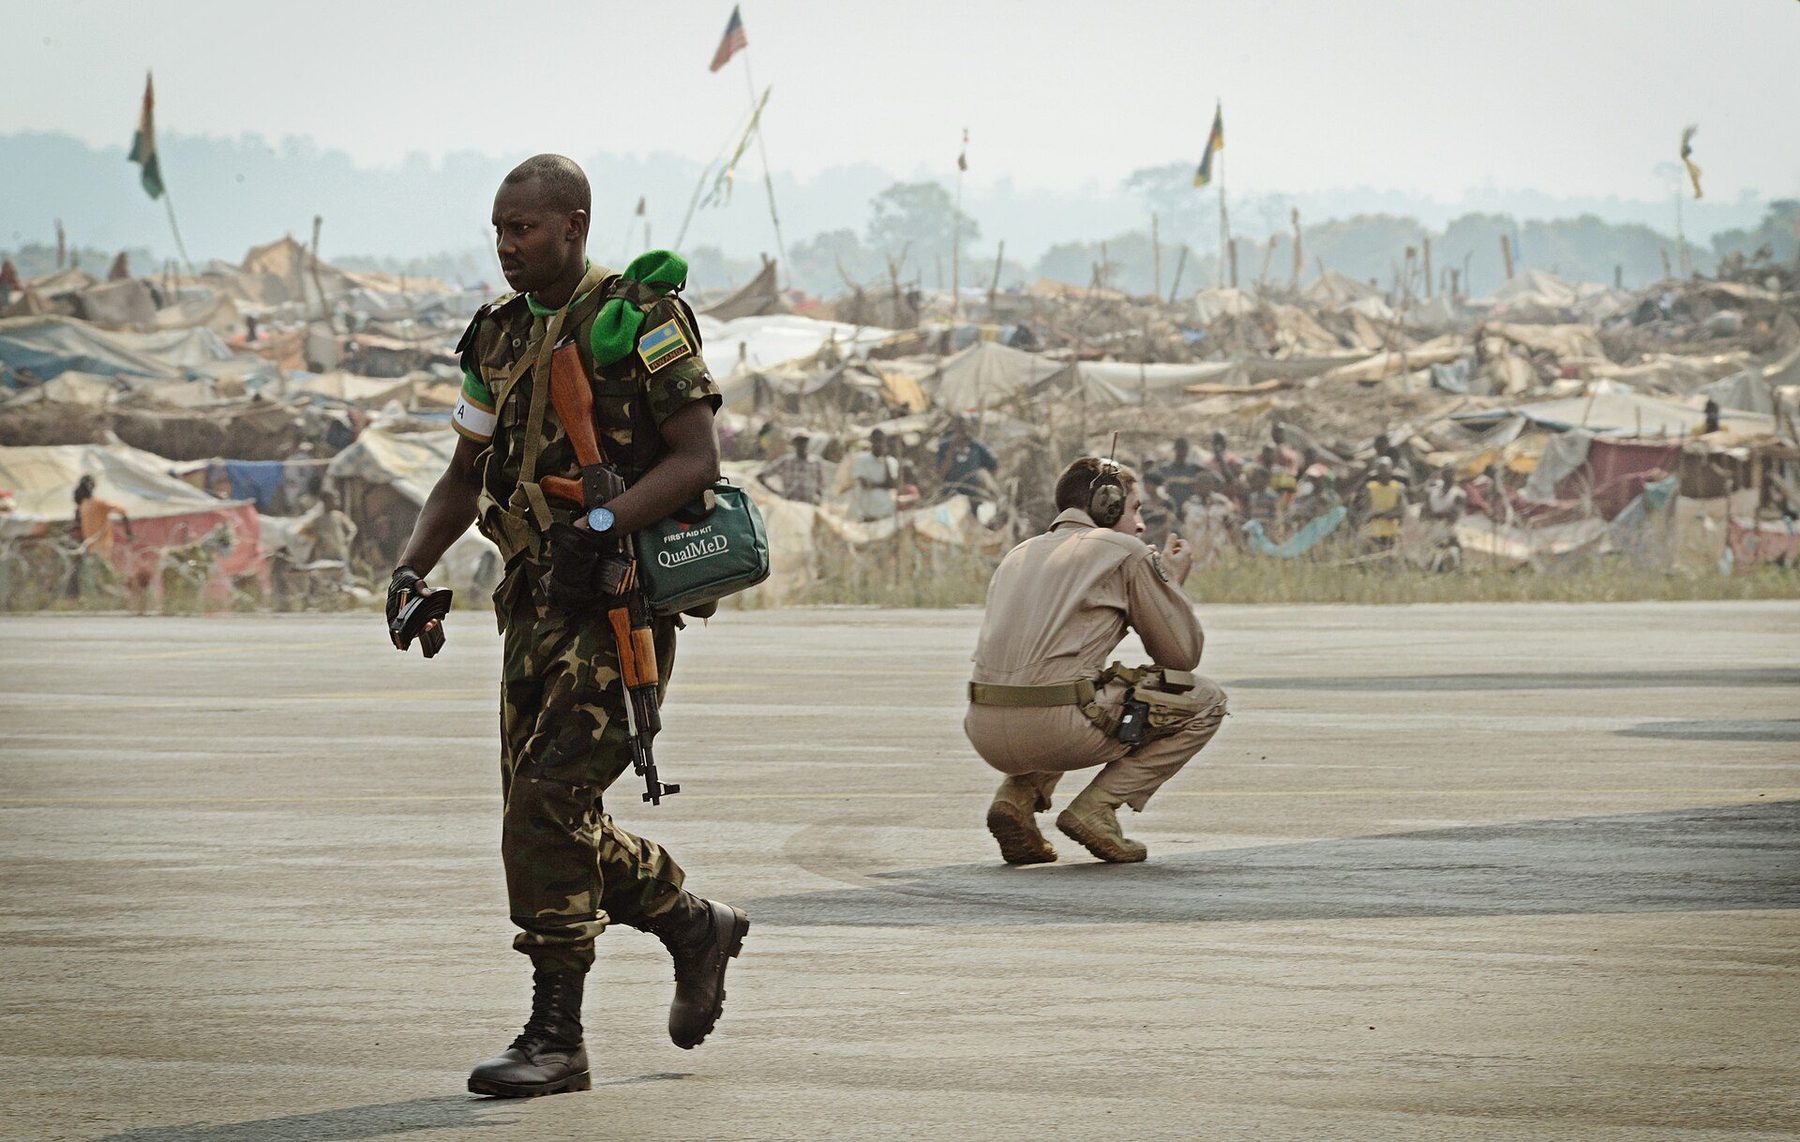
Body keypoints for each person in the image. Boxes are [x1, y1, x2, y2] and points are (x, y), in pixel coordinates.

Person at [382, 154, 747, 1099]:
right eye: (499, 231)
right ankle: (689, 921)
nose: (508, 247)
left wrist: (601, 523)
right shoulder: (497, 337)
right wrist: (411, 566)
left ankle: (557, 1037)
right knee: (544, 817)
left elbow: (696, 459)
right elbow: (464, 475)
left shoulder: (639, 316)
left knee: (545, 806)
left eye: (525, 230)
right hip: (529, 610)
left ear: (574, 226)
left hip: (616, 603)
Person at [963, 457, 1228, 865]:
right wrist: (1169, 581)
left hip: (985, 729)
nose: (1140, 524)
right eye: (1135, 508)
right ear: (1109, 503)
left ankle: (1017, 796)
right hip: (1058, 726)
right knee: (1206, 700)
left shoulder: (1020, 552)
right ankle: (1098, 807)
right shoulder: (1125, 551)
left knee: (1072, 684)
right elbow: (1180, 656)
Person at [68, 475, 131, 600]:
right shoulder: (87, 504)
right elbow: (123, 511)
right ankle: (117, 598)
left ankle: (122, 597)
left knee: (103, 577)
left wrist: (129, 532)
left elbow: (122, 511)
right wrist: (129, 532)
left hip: (100, 547)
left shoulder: (96, 504)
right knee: (99, 578)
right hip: (94, 547)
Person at [933, 414, 998, 504]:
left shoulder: (977, 447)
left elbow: (993, 465)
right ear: (954, 427)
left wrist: (983, 481)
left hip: (973, 495)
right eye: (959, 426)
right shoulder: (945, 446)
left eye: (965, 426)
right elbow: (940, 474)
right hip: (951, 494)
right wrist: (951, 453)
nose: (963, 429)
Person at [757, 430, 827, 505]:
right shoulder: (786, 461)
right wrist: (777, 493)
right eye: (798, 442)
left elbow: (821, 486)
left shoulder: (816, 463)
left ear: (808, 443)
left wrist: (818, 500)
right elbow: (761, 476)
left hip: (808, 505)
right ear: (794, 444)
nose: (801, 445)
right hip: (790, 505)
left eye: (804, 441)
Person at [1355, 456, 1408, 552]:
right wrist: (1374, 514)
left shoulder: (1398, 488)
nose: (1384, 471)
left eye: (1386, 467)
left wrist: (1384, 514)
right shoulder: (1369, 488)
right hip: (1373, 534)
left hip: (1392, 534)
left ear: (1391, 469)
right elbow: (1364, 511)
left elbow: (1402, 510)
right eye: (1381, 468)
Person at [1421, 465, 1467, 572]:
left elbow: (1453, 516)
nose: (1449, 475)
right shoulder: (1433, 492)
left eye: (1451, 473)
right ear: (1442, 474)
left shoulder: (1458, 494)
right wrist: (1440, 514)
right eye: (1446, 472)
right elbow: (1425, 512)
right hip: (1433, 534)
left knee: (1451, 562)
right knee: (1429, 566)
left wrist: (1435, 514)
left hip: (1450, 535)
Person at [849, 428, 899, 521]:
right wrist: (883, 485)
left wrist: (885, 461)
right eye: (876, 441)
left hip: (887, 511)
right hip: (867, 512)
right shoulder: (861, 460)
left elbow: (892, 484)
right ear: (871, 441)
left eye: (881, 441)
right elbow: (864, 484)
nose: (879, 444)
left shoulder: (891, 462)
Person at [1154, 437, 1204, 517]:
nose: (1182, 452)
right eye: (1179, 448)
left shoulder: (1195, 469)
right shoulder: (1165, 469)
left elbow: (1215, 479)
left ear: (1188, 450)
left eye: (1184, 448)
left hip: (1190, 510)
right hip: (1170, 510)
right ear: (1175, 449)